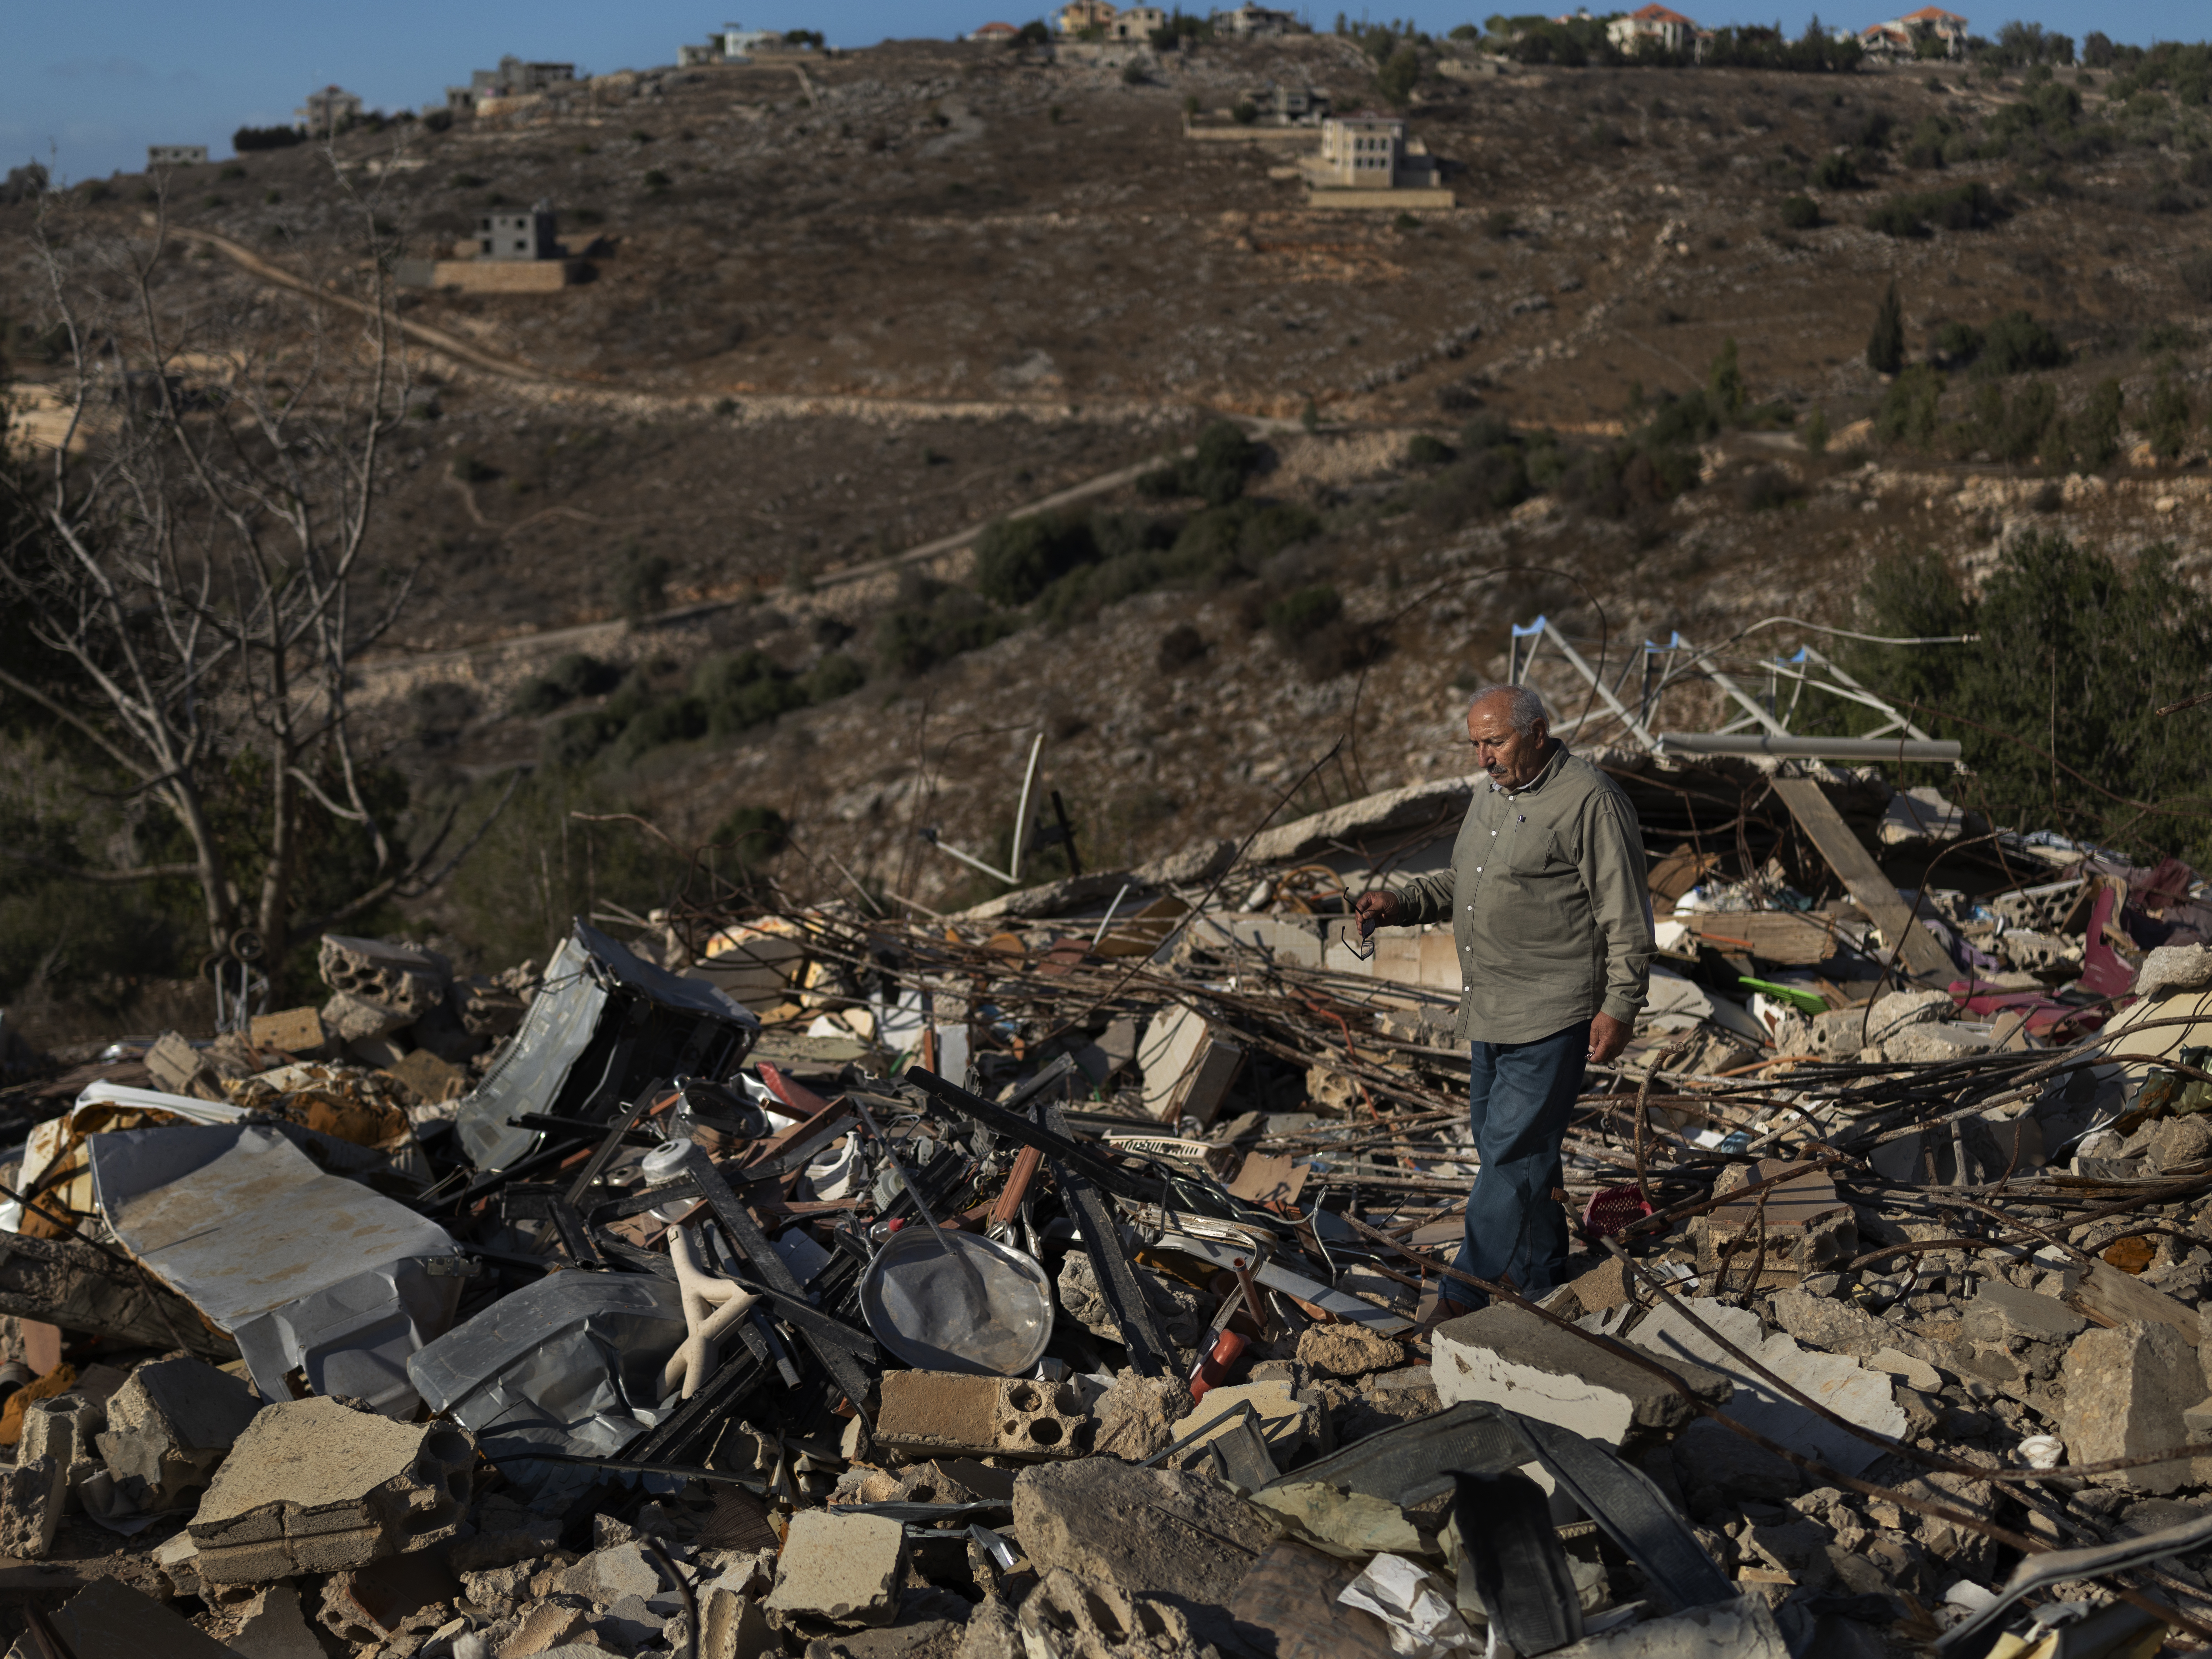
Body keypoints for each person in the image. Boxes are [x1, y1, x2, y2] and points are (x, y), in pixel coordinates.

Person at [1352, 684, 1653, 1321]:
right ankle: (1543, 1272)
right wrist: (1401, 903)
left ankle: (1466, 1293)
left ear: (1538, 732)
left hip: (1551, 1012)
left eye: (1494, 742)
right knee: (1516, 1150)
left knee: (1510, 1155)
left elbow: (1626, 916)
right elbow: (1465, 880)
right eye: (1475, 745)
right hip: (1490, 1008)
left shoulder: (1589, 801)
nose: (1482, 757)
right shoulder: (1492, 794)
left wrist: (1620, 1004)